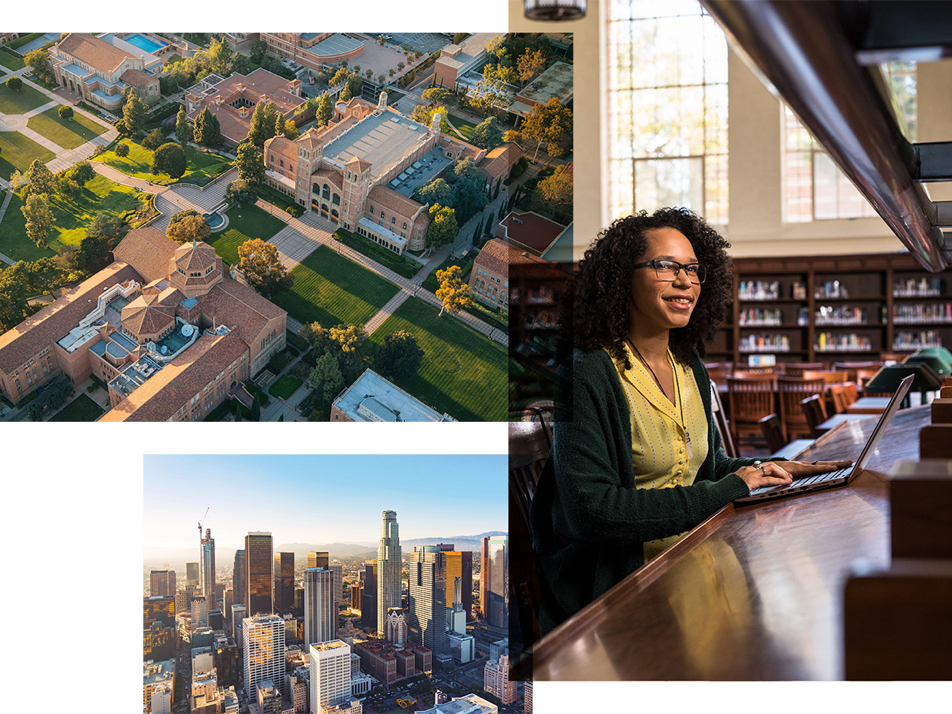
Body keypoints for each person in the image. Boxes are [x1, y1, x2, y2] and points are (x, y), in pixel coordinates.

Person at [530, 207, 850, 635]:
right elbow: (594, 511)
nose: (685, 281)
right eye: (666, 266)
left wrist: (764, 469)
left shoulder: (688, 364)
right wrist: (730, 489)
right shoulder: (584, 372)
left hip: (695, 551)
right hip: (623, 588)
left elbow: (708, 468)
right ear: (622, 277)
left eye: (694, 269)